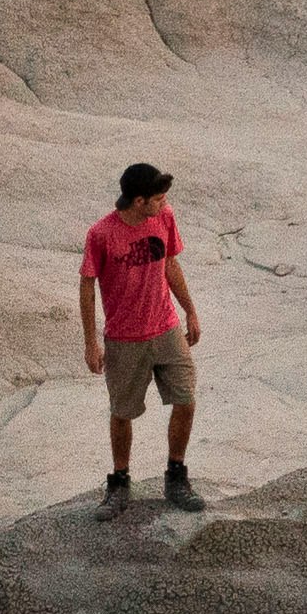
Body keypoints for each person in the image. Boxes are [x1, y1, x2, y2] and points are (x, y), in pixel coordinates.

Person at [77, 162, 202, 518]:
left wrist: (190, 311)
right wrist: (91, 342)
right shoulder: (101, 234)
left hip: (166, 328)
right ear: (138, 201)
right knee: (122, 413)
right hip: (124, 339)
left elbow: (170, 264)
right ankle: (119, 482)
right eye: (158, 199)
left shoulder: (164, 217)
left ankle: (176, 475)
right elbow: (86, 288)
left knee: (186, 399)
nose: (165, 204)